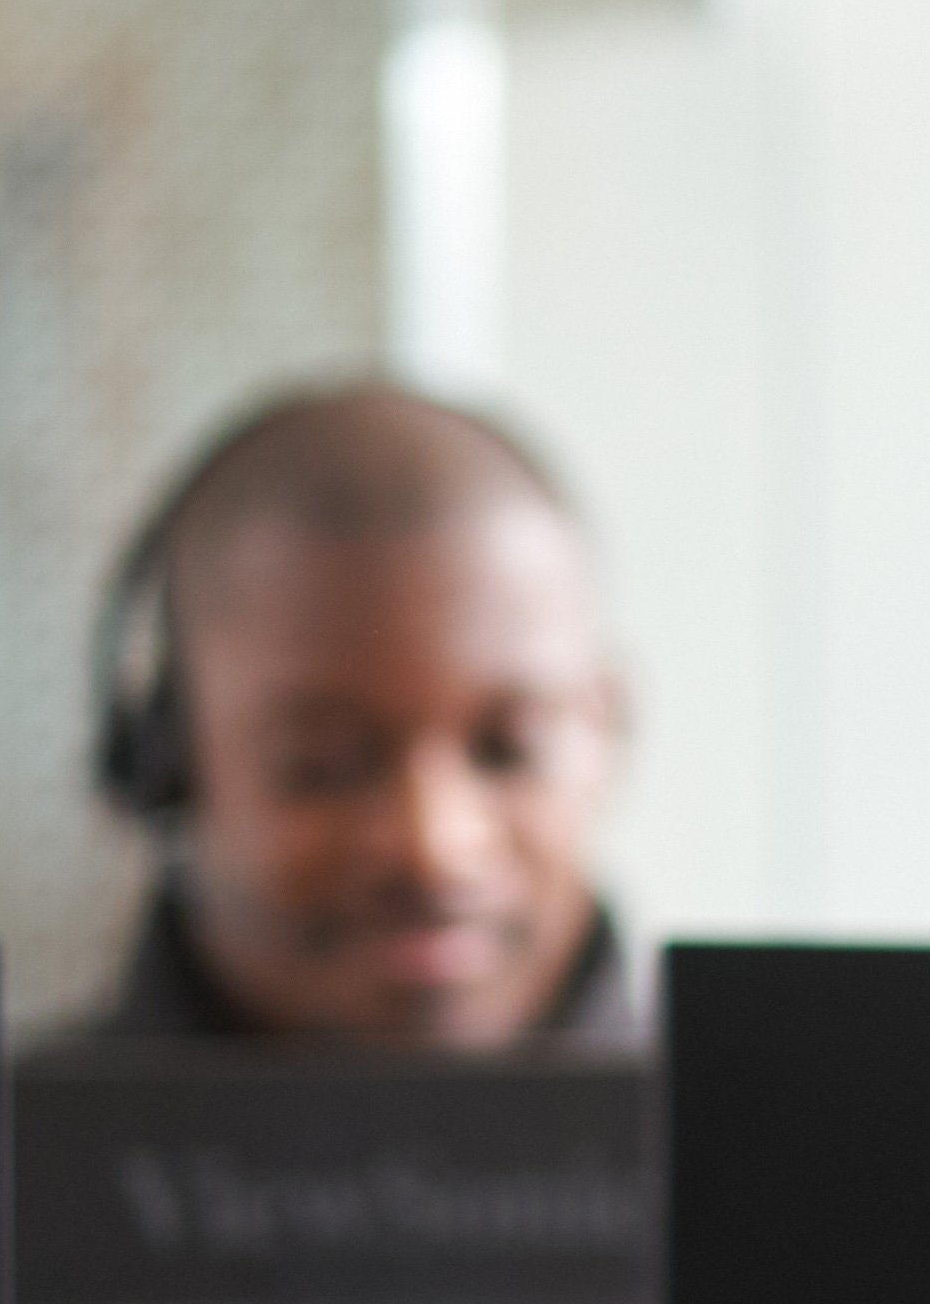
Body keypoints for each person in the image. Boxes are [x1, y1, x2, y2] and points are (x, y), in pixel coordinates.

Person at [51, 380, 635, 1050]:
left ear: (605, 738)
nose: (433, 848)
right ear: (170, 764)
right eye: (326, 767)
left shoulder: (771, 1149)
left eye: (510, 751)